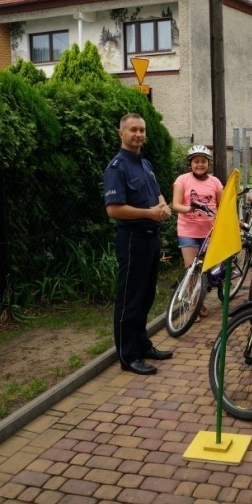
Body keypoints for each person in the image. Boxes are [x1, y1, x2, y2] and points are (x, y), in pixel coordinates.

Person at [103, 113, 174, 375]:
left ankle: (142, 345)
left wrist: (164, 205)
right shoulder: (117, 168)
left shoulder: (144, 164)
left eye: (142, 130)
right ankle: (128, 356)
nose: (139, 135)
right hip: (133, 239)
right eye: (133, 130)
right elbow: (114, 209)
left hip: (151, 238)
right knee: (130, 299)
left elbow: (157, 193)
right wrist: (149, 214)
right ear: (121, 133)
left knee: (146, 296)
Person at [171, 145, 223, 320]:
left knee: (207, 271)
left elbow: (222, 205)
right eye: (196, 161)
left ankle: (199, 300)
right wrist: (189, 208)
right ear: (190, 164)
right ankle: (194, 306)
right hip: (188, 230)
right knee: (191, 270)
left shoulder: (215, 182)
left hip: (209, 232)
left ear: (208, 164)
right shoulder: (182, 180)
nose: (200, 165)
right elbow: (175, 204)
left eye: (203, 161)